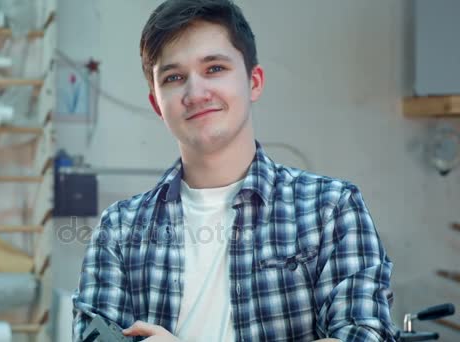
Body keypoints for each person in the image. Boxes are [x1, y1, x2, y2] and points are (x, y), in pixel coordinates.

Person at [72, 0, 396, 341]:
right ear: (157, 104)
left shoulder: (331, 208)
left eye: (214, 69)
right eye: (174, 77)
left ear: (254, 82)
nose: (196, 93)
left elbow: (363, 335)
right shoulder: (119, 229)